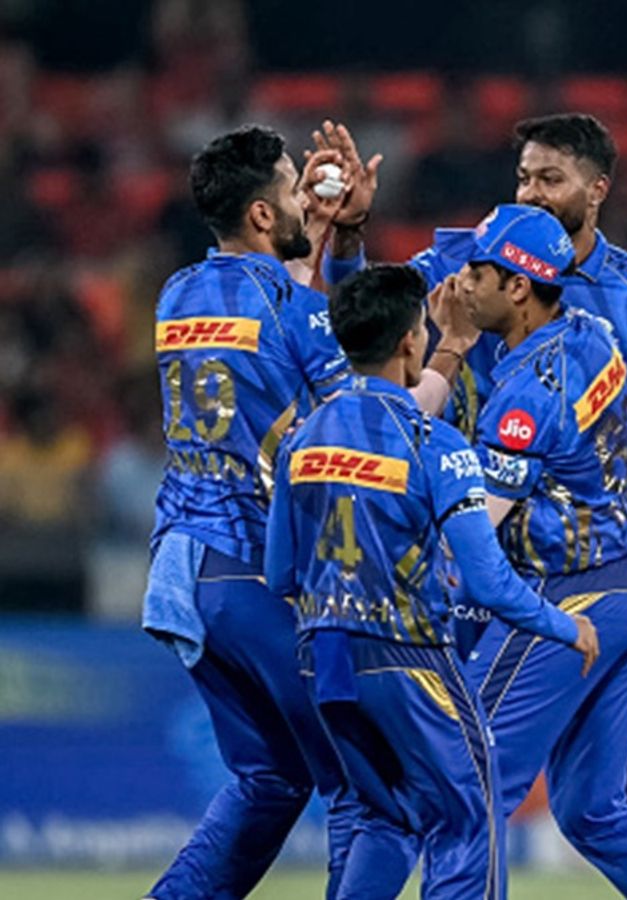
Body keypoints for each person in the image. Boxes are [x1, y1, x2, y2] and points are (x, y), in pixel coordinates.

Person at [322, 115, 627, 657]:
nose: (531, 193)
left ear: (597, 191)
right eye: (524, 178)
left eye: (550, 179)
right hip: (474, 545)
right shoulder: (469, 261)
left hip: (588, 564)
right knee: (468, 723)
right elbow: (364, 316)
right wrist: (349, 230)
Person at [263, 263, 598, 900]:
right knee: (469, 814)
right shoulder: (434, 443)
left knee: (385, 814)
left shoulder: (300, 440)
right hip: (408, 657)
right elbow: (488, 582)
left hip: (323, 659)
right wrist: (565, 625)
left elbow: (281, 571)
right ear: (409, 343)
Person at [457, 204, 627, 899]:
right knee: (593, 809)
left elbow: (477, 530)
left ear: (519, 287)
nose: (463, 283)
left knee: (466, 782)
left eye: (478, 270)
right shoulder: (592, 334)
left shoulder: (525, 396)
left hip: (572, 593)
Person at [141, 125, 359, 900]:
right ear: (264, 214)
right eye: (296, 181)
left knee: (269, 778)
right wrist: (346, 250)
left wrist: (325, 243)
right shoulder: (291, 307)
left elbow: (273, 328)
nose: (308, 193)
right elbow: (359, 407)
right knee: (359, 784)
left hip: (179, 569)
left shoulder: (177, 293)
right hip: (252, 568)